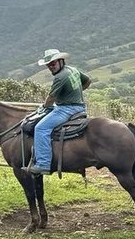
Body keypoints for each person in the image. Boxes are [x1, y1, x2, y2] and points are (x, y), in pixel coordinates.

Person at [24, 48, 91, 176]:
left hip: (66, 109)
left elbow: (51, 98)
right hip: (80, 107)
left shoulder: (60, 77)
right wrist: (75, 93)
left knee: (40, 128)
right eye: (48, 65)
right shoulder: (73, 70)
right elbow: (88, 81)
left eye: (53, 63)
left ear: (61, 61)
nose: (50, 67)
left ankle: (43, 164)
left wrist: (44, 106)